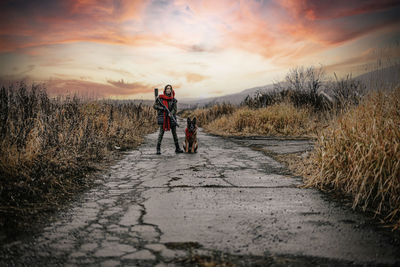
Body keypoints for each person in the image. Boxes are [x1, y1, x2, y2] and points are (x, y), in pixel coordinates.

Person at [153, 84, 183, 154]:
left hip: (171, 117)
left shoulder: (173, 100)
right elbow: (154, 106)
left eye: (170, 89)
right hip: (163, 117)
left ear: (171, 90)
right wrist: (162, 108)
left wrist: (171, 113)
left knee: (174, 134)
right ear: (165, 90)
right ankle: (158, 149)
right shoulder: (160, 98)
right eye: (167, 89)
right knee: (161, 133)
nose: (168, 90)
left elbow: (175, 109)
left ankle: (177, 148)